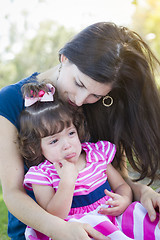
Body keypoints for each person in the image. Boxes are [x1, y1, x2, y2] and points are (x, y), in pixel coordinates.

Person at [0, 21, 160, 240]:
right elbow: (13, 192)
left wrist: (142, 192)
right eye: (79, 83)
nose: (80, 100)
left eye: (96, 95)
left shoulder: (101, 104)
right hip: (47, 229)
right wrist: (59, 229)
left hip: (107, 220)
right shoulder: (9, 101)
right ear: (65, 57)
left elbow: (113, 176)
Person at [19, 81, 159, 240]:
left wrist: (124, 199)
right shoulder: (43, 175)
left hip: (115, 217)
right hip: (77, 229)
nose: (67, 145)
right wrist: (67, 182)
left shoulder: (94, 155)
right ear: (35, 147)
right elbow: (54, 216)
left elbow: (120, 185)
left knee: (148, 223)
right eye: (54, 141)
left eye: (70, 133)